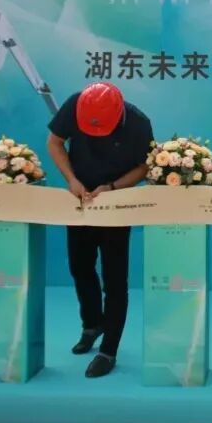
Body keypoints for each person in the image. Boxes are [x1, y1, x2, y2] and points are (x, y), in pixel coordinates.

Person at [46, 81, 154, 378]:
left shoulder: (138, 123)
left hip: (115, 204)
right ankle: (92, 324)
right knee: (79, 266)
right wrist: (71, 179)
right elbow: (54, 142)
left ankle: (109, 350)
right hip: (80, 200)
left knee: (115, 279)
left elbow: (145, 166)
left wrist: (113, 187)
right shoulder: (76, 104)